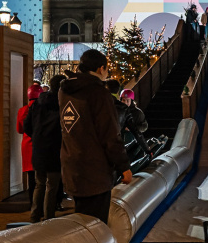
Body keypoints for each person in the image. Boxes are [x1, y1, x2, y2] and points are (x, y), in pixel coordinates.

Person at [59, 49, 132, 222]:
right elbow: (109, 134)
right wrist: (124, 166)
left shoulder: (64, 91)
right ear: (101, 69)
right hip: (95, 171)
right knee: (95, 225)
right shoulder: (99, 93)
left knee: (80, 221)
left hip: (71, 166)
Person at [24, 75, 66, 223]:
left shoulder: (37, 103)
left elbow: (26, 126)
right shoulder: (61, 104)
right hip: (54, 148)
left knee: (39, 183)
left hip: (38, 148)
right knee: (52, 185)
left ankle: (34, 215)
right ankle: (49, 217)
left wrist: (36, 137)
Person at [17, 84, 42, 204]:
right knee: (41, 177)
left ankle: (32, 202)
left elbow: (19, 130)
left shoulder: (22, 110)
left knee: (31, 177)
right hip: (39, 145)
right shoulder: (42, 110)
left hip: (26, 145)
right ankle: (39, 203)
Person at [116, 88, 150, 157]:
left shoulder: (137, 113)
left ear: (131, 101)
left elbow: (144, 126)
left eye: (127, 100)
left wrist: (134, 128)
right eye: (123, 100)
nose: (125, 102)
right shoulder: (118, 111)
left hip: (133, 142)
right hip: (120, 142)